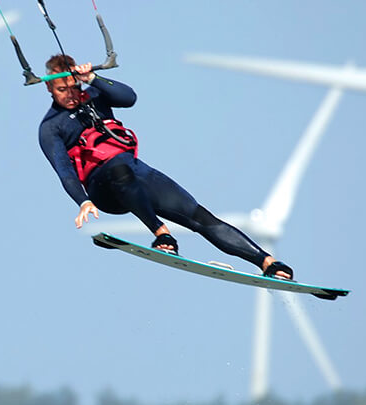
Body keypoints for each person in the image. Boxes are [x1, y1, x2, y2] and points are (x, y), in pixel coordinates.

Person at [37, 54, 294, 280]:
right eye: (62, 89)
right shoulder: (51, 127)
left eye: (74, 86)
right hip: (103, 189)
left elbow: (129, 97)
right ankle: (162, 233)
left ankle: (267, 262)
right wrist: (83, 201)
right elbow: (64, 171)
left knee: (200, 216)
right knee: (118, 169)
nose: (70, 94)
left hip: (136, 173)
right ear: (49, 87)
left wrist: (92, 78)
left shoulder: (95, 96)